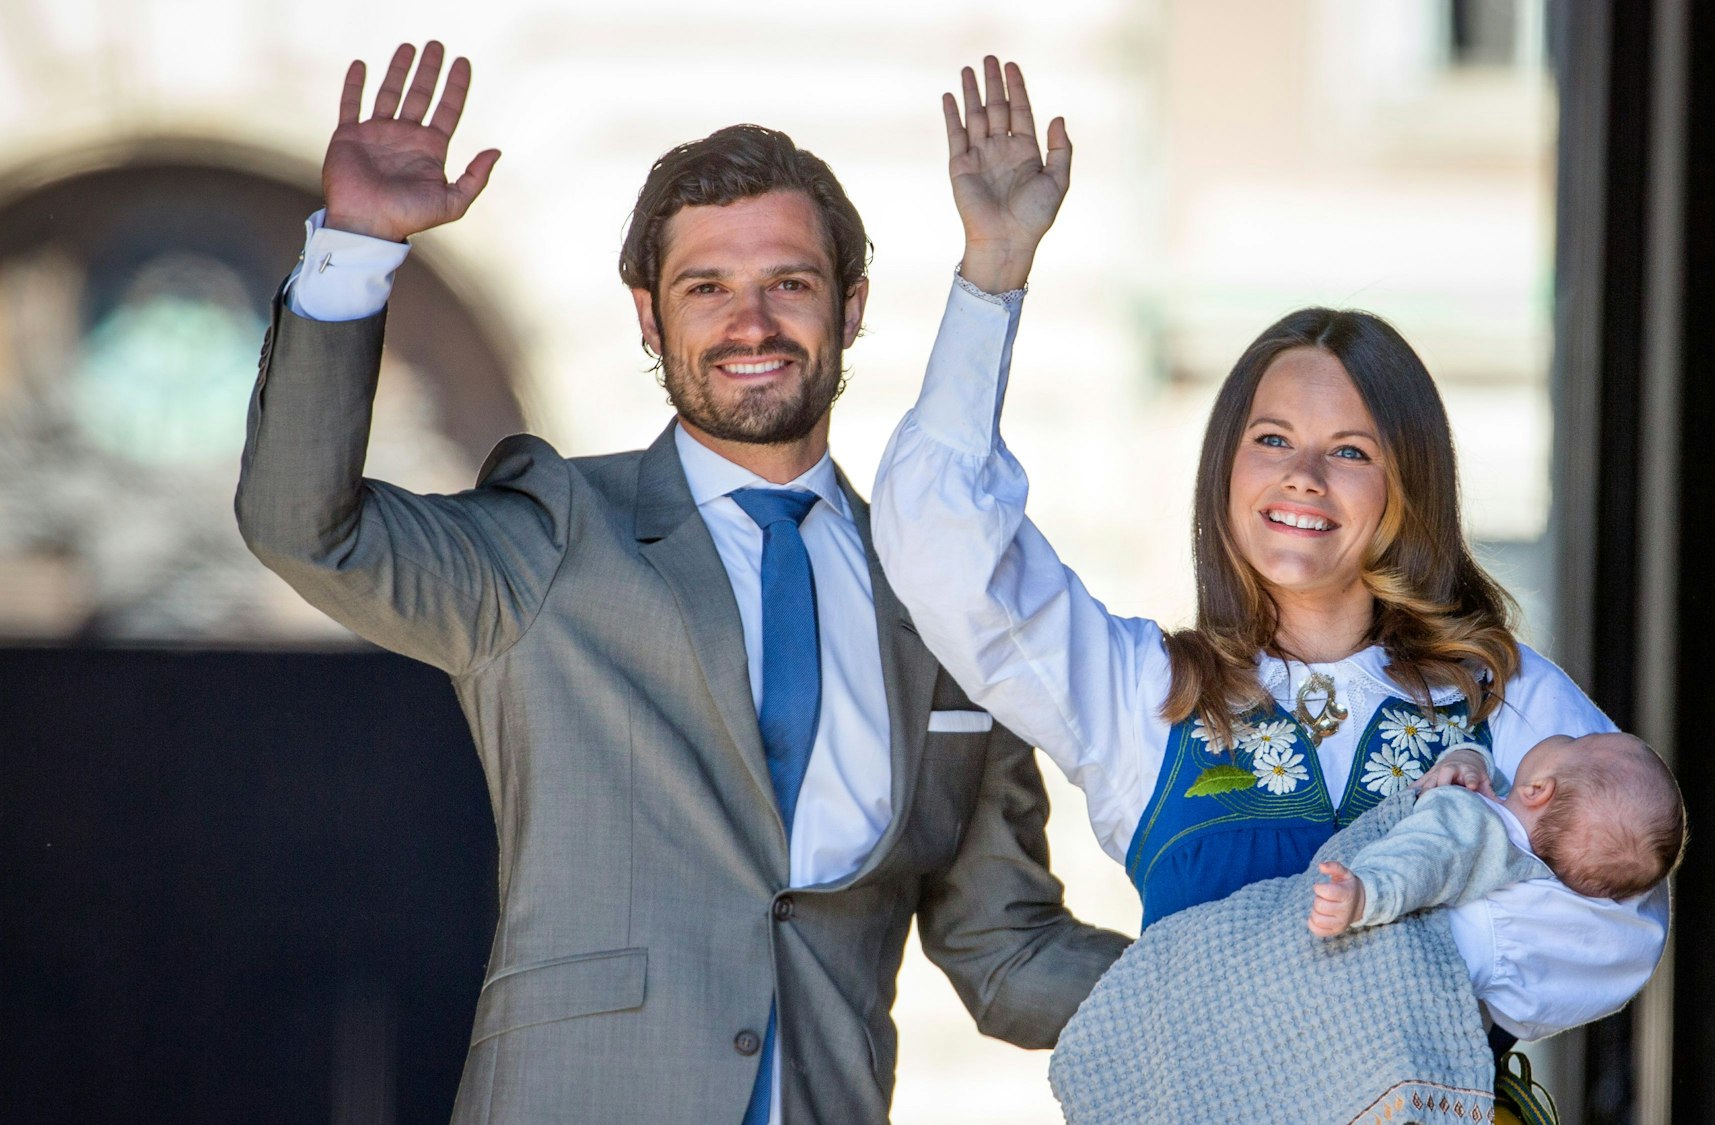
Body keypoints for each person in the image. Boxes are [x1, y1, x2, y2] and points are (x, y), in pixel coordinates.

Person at [235, 42, 1126, 1125]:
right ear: (650, 319)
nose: (749, 325)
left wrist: (1250, 974)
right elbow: (300, 530)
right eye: (707, 288)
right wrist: (360, 246)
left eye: (786, 284)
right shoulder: (554, 534)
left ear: (847, 308)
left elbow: (1003, 945)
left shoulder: (944, 589)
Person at [872, 58, 1671, 1048]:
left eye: (1348, 451)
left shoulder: (1500, 696)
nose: (1302, 476)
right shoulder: (1142, 694)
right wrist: (992, 273)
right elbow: (945, 553)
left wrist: (1351, 974)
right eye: (1270, 440)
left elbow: (1613, 916)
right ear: (1224, 472)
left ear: (1404, 488)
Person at [1310, 732, 1687, 938]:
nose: (1565, 735)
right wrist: (1468, 761)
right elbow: (1488, 782)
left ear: (1538, 790)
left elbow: (1422, 860)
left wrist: (1365, 894)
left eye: (1575, 742)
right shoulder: (1519, 853)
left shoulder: (1471, 828)